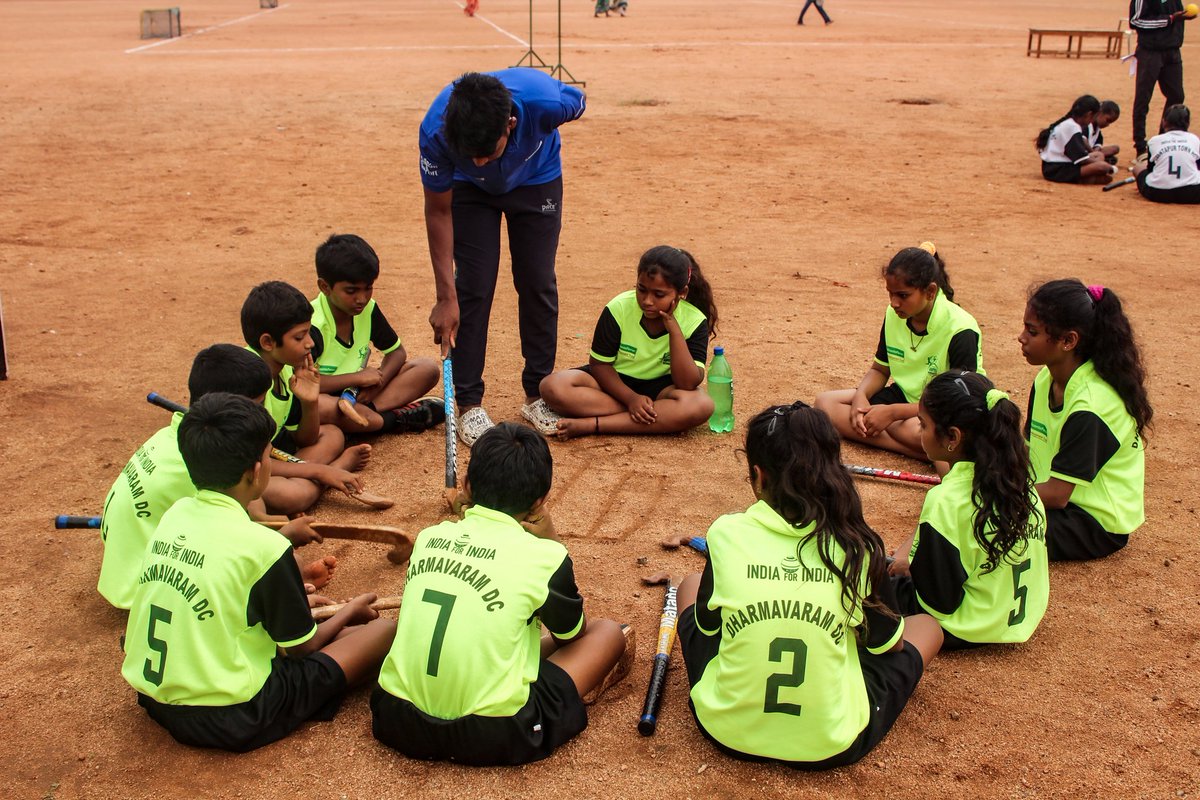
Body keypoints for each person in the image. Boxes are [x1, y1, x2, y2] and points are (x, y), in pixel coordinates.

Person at [120, 393, 396, 752]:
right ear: (255, 470)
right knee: (381, 630)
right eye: (268, 455)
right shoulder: (266, 548)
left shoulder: (176, 514)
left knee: (313, 624)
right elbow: (302, 648)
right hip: (231, 714)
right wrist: (350, 609)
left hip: (154, 697)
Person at [675, 402, 942, 768]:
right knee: (926, 627)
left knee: (690, 585)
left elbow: (709, 629)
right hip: (828, 744)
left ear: (758, 475)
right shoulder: (858, 547)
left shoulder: (725, 533)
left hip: (726, 731)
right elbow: (888, 646)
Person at [371, 423, 632, 765]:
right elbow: (571, 636)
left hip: (394, 717)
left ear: (466, 485)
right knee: (606, 632)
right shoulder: (545, 557)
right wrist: (552, 540)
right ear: (540, 501)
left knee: (497, 630)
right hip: (494, 733)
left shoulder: (429, 537)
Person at [420, 70, 586, 447]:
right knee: (472, 287)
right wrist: (446, 297)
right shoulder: (436, 129)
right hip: (469, 195)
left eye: (486, 152)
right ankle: (469, 404)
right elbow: (438, 211)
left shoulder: (548, 103)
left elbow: (579, 100)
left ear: (510, 124)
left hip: (537, 180)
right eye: (469, 154)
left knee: (537, 280)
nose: (479, 161)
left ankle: (537, 393)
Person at [97, 344, 322, 610]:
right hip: (144, 586)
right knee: (279, 559)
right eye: (259, 404)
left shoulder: (176, 437)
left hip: (124, 563)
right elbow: (235, 541)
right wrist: (283, 538)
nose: (262, 413)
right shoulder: (197, 465)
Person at [888, 371, 1049, 649]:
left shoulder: (946, 499)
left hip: (964, 627)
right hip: (1013, 619)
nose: (920, 432)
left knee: (868, 576)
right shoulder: (1025, 487)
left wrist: (910, 568)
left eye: (923, 425)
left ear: (952, 437)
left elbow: (938, 603)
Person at [1019, 280, 1152, 560]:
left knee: (987, 526)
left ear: (1068, 341)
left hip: (1093, 522)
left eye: (1032, 331)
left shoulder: (1091, 406)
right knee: (973, 515)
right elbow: (1029, 452)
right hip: (1053, 501)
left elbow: (1057, 494)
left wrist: (993, 494)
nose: (1021, 337)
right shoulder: (1045, 379)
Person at [814, 243, 983, 462]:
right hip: (905, 401)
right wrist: (860, 397)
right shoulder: (896, 313)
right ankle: (922, 452)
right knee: (824, 404)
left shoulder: (961, 329)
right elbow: (879, 369)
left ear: (930, 292)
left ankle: (925, 446)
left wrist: (892, 413)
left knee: (925, 432)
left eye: (903, 295)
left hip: (942, 411)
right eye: (890, 294)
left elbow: (960, 403)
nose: (894, 303)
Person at [534, 245, 717, 439]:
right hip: (613, 385)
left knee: (701, 405)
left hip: (662, 389)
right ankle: (654, 414)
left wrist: (674, 330)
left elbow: (687, 383)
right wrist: (632, 399)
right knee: (552, 386)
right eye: (641, 289)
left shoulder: (695, 320)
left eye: (659, 294)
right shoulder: (618, 308)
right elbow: (600, 365)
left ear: (682, 293)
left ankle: (593, 424)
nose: (647, 300)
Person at [241, 280, 375, 514]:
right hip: (246, 468)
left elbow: (305, 439)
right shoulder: (248, 382)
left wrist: (309, 401)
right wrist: (321, 471)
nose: (310, 343)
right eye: (299, 337)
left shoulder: (283, 368)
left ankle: (319, 479)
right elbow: (252, 463)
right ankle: (335, 470)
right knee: (293, 496)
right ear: (267, 342)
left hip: (270, 454)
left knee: (332, 433)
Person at [310, 233, 443, 434]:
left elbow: (396, 353)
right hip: (325, 396)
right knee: (322, 407)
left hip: (358, 395)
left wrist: (376, 387)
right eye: (351, 291)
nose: (362, 298)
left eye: (368, 288)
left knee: (427, 368)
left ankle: (362, 419)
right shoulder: (313, 325)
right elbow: (304, 384)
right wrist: (355, 379)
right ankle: (392, 421)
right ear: (325, 287)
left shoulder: (368, 310)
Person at [1129, 0, 1190, 159]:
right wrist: (1169, 19)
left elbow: (1176, 19)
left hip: (1173, 51)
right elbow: (1135, 21)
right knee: (1143, 98)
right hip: (1150, 53)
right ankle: (1140, 147)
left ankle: (1164, 140)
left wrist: (1182, 18)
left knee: (1177, 96)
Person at [1035, 95, 1117, 185]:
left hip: (1055, 166)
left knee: (1099, 155)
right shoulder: (1072, 127)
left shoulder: (1069, 123)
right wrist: (1101, 163)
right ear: (1089, 114)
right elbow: (1081, 159)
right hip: (1056, 170)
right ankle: (1082, 178)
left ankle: (1086, 177)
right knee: (1102, 167)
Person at [1132, 104, 1200, 203]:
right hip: (1192, 193)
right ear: (1188, 123)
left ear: (1163, 122)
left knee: (1138, 167)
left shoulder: (1154, 141)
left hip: (1158, 193)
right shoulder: (1194, 139)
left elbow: (1151, 169)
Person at [1087, 100, 1122, 164]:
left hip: (1090, 153)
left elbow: (1099, 141)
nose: (1108, 124)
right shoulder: (1087, 124)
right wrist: (1093, 152)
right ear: (1100, 112)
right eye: (1108, 120)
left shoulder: (1097, 128)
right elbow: (1082, 141)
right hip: (1081, 153)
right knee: (1103, 166)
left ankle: (1097, 159)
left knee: (1115, 148)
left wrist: (1097, 148)